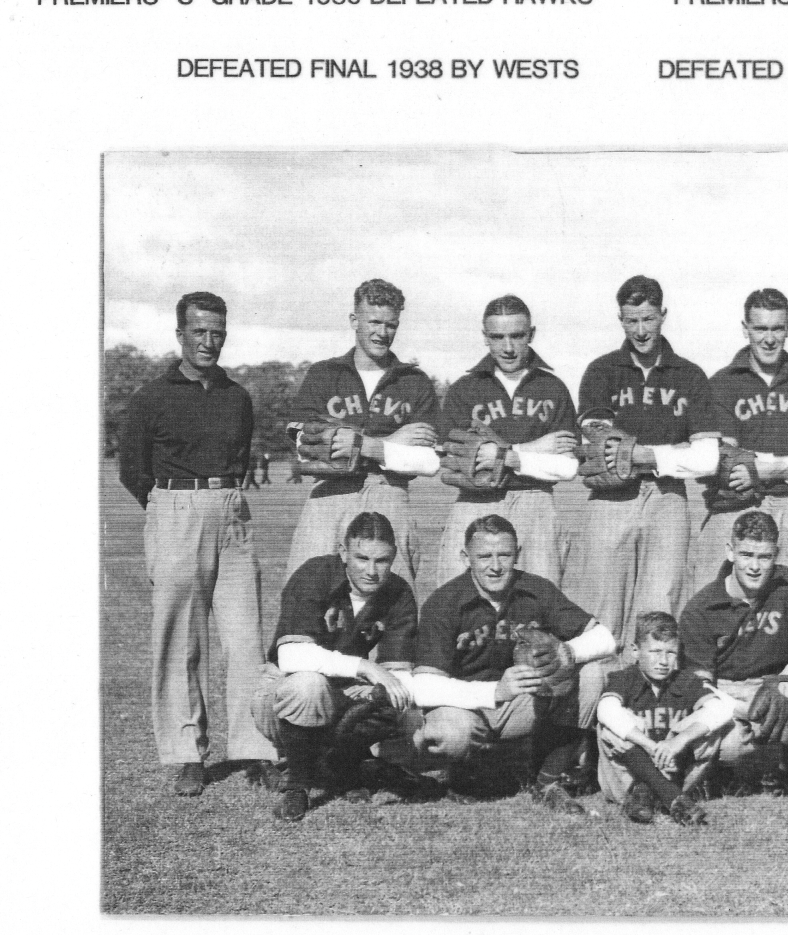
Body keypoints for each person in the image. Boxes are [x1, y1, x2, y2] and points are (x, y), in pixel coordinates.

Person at [117, 291, 279, 797]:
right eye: (199, 331)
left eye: (217, 332)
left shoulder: (237, 396)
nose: (209, 341)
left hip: (231, 512)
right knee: (182, 641)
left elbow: (240, 454)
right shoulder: (151, 397)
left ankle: (255, 748)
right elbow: (132, 470)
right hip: (174, 512)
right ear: (181, 334)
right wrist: (171, 510)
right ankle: (188, 751)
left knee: (245, 637)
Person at [411, 514, 616, 812]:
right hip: (465, 708)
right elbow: (424, 687)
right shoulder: (444, 602)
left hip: (521, 704)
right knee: (450, 735)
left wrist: (567, 653)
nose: (495, 566)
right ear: (465, 557)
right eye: (484, 556)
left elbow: (605, 638)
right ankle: (466, 771)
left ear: (518, 554)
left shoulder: (536, 589)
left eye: (504, 555)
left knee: (591, 673)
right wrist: (495, 690)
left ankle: (548, 777)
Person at [565, 275, 718, 648]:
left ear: (663, 315)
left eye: (648, 319)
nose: (641, 330)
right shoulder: (602, 370)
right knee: (603, 599)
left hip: (667, 496)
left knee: (660, 600)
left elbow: (707, 458)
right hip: (612, 495)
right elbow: (600, 440)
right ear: (620, 319)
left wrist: (641, 455)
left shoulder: (690, 375)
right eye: (631, 321)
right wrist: (671, 454)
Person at [251, 512, 422, 822]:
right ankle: (299, 786)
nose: (371, 570)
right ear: (343, 552)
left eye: (382, 560)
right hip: (282, 691)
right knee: (309, 685)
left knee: (399, 703)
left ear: (394, 556)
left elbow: (398, 673)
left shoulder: (398, 592)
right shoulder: (316, 573)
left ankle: (343, 765)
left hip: (342, 690)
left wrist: (379, 687)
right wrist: (365, 668)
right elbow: (292, 657)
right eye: (362, 558)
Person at [677, 510, 788, 809]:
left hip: (781, 681)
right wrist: (747, 710)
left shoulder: (785, 581)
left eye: (764, 557)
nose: (755, 567)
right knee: (729, 747)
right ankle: (747, 771)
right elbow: (699, 691)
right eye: (746, 555)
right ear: (730, 552)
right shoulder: (701, 607)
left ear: (776, 555)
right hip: (729, 693)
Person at [284, 278, 441, 584]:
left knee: (392, 599)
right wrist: (388, 445)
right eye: (374, 322)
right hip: (330, 494)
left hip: (390, 493)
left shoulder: (413, 380)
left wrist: (360, 445)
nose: (382, 333)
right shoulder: (324, 374)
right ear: (354, 321)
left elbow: (429, 461)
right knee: (310, 591)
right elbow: (305, 446)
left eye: (391, 325)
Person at [689, 288, 788, 596]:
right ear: (745, 329)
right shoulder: (723, 382)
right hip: (734, 504)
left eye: (777, 328)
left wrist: (764, 468)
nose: (769, 338)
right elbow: (725, 459)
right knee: (713, 598)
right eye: (760, 328)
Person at [435, 296, 579, 585]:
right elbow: (456, 464)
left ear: (531, 334)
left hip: (536, 503)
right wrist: (534, 450)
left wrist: (499, 456)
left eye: (517, 335)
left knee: (537, 600)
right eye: (498, 337)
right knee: (461, 599)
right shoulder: (465, 390)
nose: (508, 347)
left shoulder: (552, 387)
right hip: (475, 502)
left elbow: (566, 468)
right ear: (485, 337)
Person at [593, 612, 726, 826]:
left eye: (671, 653)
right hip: (626, 780)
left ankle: (653, 794)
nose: (663, 661)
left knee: (707, 723)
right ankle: (670, 797)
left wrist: (678, 741)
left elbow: (720, 709)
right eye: (655, 652)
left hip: (674, 770)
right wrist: (650, 746)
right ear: (636, 651)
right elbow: (606, 709)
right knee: (613, 725)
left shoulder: (684, 680)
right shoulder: (625, 678)